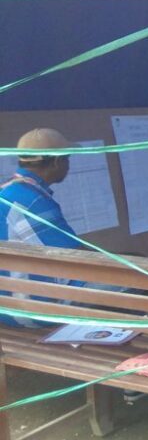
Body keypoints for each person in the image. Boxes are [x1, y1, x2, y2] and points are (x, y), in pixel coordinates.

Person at [0, 128, 83, 327]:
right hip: (24, 311)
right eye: (67, 159)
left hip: (5, 303)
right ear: (56, 162)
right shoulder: (32, 201)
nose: (68, 165)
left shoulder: (8, 190)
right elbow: (75, 257)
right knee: (127, 284)